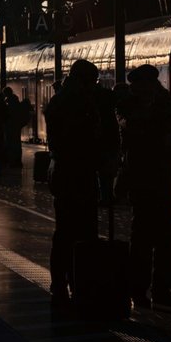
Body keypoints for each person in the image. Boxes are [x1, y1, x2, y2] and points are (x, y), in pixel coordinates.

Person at [44, 59, 119, 305]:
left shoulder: (63, 100)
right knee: (77, 230)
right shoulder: (75, 103)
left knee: (68, 231)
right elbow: (82, 138)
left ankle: (66, 282)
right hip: (74, 172)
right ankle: (74, 282)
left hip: (69, 173)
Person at [118, 64, 171, 308]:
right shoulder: (128, 109)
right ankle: (140, 289)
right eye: (146, 84)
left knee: (163, 239)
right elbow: (140, 131)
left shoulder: (159, 107)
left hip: (161, 181)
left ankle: (159, 288)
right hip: (145, 181)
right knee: (144, 239)